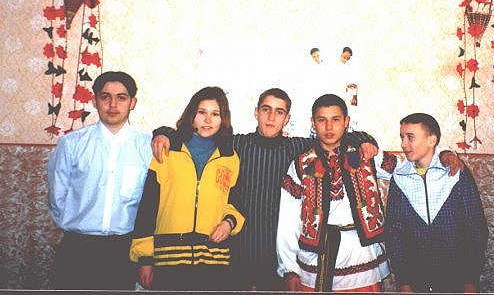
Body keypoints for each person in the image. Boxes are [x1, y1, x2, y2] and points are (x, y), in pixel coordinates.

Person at [150, 87, 383, 291]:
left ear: (287, 118)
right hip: (236, 254)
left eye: (279, 112)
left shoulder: (298, 148)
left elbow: (332, 136)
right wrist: (165, 134)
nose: (271, 117)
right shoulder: (235, 144)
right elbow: (202, 134)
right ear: (256, 112)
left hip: (276, 259)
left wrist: (363, 139)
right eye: (266, 109)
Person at [275, 94, 463, 292]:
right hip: (314, 260)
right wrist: (289, 269)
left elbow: (411, 164)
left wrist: (443, 153)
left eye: (336, 119)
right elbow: (287, 220)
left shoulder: (366, 155)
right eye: (322, 120)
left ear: (346, 122)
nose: (329, 127)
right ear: (313, 123)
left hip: (361, 258)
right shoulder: (301, 164)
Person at [129, 86, 244, 291]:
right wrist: (145, 258)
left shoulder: (230, 157)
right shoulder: (167, 150)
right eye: (202, 112)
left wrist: (228, 223)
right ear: (192, 115)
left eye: (215, 114)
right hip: (168, 259)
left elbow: (235, 204)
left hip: (214, 260)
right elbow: (148, 206)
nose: (207, 120)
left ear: (223, 119)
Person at [47, 71, 151, 290]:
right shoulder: (71, 144)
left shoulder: (147, 147)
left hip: (124, 249)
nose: (112, 104)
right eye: (105, 97)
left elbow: (152, 202)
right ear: (94, 101)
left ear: (132, 103)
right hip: (77, 248)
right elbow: (57, 198)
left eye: (121, 97)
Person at [385, 113, 488, 293]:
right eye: (402, 137)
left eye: (410, 137)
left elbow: (475, 228)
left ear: (432, 140)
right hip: (416, 280)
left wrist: (470, 279)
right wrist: (403, 281)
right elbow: (395, 234)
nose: (403, 144)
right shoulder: (400, 178)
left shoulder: (456, 174)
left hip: (455, 277)